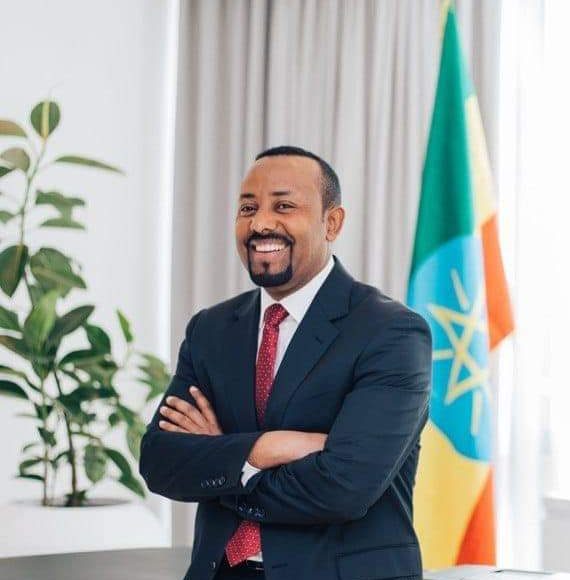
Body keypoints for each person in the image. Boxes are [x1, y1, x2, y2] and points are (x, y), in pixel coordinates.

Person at [138, 146, 432, 580]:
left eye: (283, 206)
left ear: (332, 223)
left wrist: (224, 459)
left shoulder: (391, 332)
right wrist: (267, 449)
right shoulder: (210, 330)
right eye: (247, 208)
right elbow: (160, 462)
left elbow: (344, 488)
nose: (260, 223)